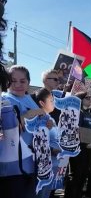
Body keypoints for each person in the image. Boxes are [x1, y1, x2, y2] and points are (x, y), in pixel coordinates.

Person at [1, 65, 46, 198]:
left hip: (34, 160)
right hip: (14, 166)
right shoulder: (4, 99)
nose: (18, 85)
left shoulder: (30, 100)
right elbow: (9, 127)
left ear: (28, 83)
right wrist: (27, 116)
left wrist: (47, 123)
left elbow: (42, 122)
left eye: (22, 81)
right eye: (13, 81)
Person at [64, 92, 91, 198]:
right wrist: (85, 143)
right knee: (75, 176)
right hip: (78, 150)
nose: (90, 99)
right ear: (80, 100)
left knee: (83, 176)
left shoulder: (90, 115)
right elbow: (74, 130)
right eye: (87, 98)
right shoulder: (77, 113)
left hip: (88, 151)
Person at [34, 88, 60, 198]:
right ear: (41, 103)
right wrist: (52, 150)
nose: (54, 103)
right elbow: (35, 143)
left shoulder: (51, 119)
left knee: (46, 194)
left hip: (53, 165)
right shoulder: (36, 118)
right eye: (51, 100)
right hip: (42, 167)